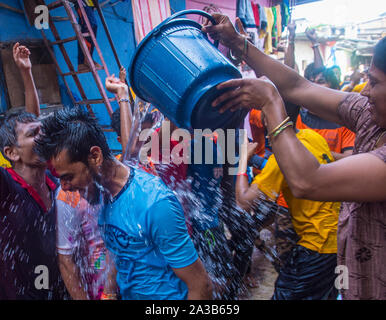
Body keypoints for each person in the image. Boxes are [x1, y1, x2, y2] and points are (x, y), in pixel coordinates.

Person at [203, 14, 386, 300]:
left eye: (373, 83)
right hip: (342, 262)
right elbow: (298, 87)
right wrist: (239, 44)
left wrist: (271, 104)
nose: (366, 90)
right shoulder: (368, 117)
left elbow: (308, 181)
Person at [34, 105, 212, 300]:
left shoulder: (154, 204)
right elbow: (117, 249)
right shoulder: (103, 194)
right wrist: (109, 294)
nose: (65, 187)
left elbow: (200, 285)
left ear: (95, 156)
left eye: (69, 176)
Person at [0, 43, 67, 299]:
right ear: (11, 153)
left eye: (43, 131)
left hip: (60, 289)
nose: (42, 138)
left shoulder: (54, 180)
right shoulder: (7, 187)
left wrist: (26, 73)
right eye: (33, 135)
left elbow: (32, 122)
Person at [56, 187, 116, 300]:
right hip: (94, 282)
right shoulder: (67, 197)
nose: (64, 184)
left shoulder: (112, 182)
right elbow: (66, 261)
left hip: (126, 278)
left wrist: (109, 293)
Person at [72, 0, 102, 73]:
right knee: (89, 26)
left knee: (86, 28)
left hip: (88, 2)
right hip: (82, 2)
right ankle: (86, 59)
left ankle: (83, 62)